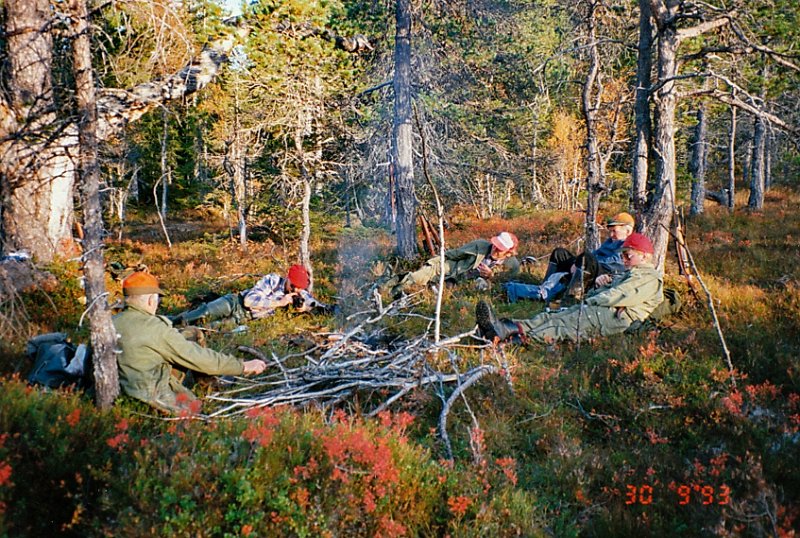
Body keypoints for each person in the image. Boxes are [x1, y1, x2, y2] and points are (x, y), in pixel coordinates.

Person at [113, 271, 267, 414]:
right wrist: (243, 366)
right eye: (157, 299)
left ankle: (210, 385)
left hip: (121, 392)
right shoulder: (155, 328)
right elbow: (199, 358)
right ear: (150, 300)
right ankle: (207, 395)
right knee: (198, 412)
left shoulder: (109, 323)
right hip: (151, 395)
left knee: (192, 333)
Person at [476, 232, 663, 344]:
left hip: (615, 316)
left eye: (628, 256)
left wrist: (591, 299)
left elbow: (620, 295)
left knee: (562, 326)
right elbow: (609, 292)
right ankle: (504, 327)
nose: (624, 260)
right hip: (601, 309)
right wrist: (598, 291)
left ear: (645, 257)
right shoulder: (629, 273)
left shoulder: (649, 277)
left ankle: (509, 340)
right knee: (551, 317)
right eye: (623, 256)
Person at [504, 212, 635, 303]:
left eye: (614, 231)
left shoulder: (629, 245)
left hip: (603, 274)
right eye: (610, 230)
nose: (611, 234)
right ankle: (545, 286)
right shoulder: (611, 241)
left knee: (585, 258)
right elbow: (596, 253)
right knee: (560, 253)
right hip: (591, 266)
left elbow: (614, 263)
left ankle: (571, 296)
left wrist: (580, 262)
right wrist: (578, 262)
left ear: (627, 231)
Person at [172, 264, 331, 326]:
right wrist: (280, 303)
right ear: (288, 278)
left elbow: (316, 305)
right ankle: (168, 321)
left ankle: (174, 337)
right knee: (201, 313)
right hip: (236, 303)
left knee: (208, 328)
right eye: (294, 286)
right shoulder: (272, 280)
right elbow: (249, 301)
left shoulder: (299, 293)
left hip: (243, 319)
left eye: (299, 288)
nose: (295, 290)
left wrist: (305, 308)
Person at [384, 231, 521, 296]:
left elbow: (506, 286)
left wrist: (491, 276)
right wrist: (432, 263)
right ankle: (386, 291)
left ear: (509, 252)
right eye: (495, 245)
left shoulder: (512, 265)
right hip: (453, 270)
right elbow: (454, 254)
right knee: (419, 276)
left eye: (500, 248)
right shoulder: (480, 245)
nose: (495, 248)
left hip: (468, 287)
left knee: (435, 293)